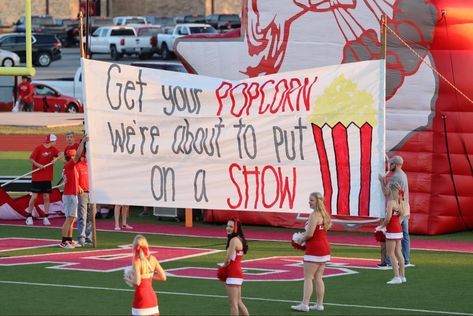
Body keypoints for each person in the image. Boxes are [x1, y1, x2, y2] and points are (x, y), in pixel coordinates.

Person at [291, 192, 331, 312]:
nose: (309, 202)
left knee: (308, 277)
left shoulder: (314, 215)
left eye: (311, 200)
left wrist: (299, 240)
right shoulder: (324, 215)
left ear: (317, 202)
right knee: (318, 277)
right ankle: (319, 304)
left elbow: (309, 234)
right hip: (324, 249)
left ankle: (305, 304)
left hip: (315, 249)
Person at [378, 155, 412, 267]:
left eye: (391, 164)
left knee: (391, 234)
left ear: (395, 165)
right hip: (405, 207)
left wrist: (382, 181)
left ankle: (388, 261)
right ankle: (406, 260)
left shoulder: (395, 177)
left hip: (396, 209)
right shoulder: (404, 175)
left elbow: (387, 192)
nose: (389, 166)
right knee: (405, 235)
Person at [25, 134, 61, 226]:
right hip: (37, 177)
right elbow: (31, 159)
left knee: (46, 197)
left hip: (47, 177)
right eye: (55, 141)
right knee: (34, 197)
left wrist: (55, 159)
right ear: (51, 141)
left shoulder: (53, 149)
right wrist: (38, 165)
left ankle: (46, 217)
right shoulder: (39, 148)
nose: (56, 143)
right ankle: (29, 216)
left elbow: (61, 154)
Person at [59, 136, 87, 249]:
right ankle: (64, 241)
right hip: (69, 195)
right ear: (70, 156)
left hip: (72, 194)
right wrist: (83, 142)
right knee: (69, 218)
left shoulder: (71, 167)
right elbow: (78, 154)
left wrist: (78, 187)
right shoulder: (69, 165)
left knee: (72, 218)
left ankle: (69, 240)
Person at [377, 182, 406, 284]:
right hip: (398, 228)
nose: (387, 189)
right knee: (398, 253)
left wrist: (382, 226)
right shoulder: (399, 202)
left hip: (392, 229)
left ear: (391, 189)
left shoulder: (391, 202)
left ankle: (396, 277)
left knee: (391, 253)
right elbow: (401, 216)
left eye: (388, 188)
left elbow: (388, 218)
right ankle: (402, 276)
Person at [130, 234, 166, 316]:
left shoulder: (136, 261)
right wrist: (149, 276)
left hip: (141, 298)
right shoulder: (153, 259)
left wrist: (129, 279)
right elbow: (163, 277)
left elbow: (137, 282)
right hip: (152, 297)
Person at [222, 217, 249, 316]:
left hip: (232, 274)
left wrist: (223, 269)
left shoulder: (233, 240)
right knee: (238, 302)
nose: (228, 228)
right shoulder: (239, 239)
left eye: (231, 226)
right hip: (238, 273)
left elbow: (228, 259)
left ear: (236, 228)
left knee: (233, 304)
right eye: (227, 226)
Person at [76, 136, 93, 247]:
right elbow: (75, 179)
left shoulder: (92, 167)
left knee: (90, 217)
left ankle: (89, 237)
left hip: (92, 193)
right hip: (83, 193)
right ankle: (81, 238)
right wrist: (78, 187)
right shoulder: (78, 165)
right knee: (82, 216)